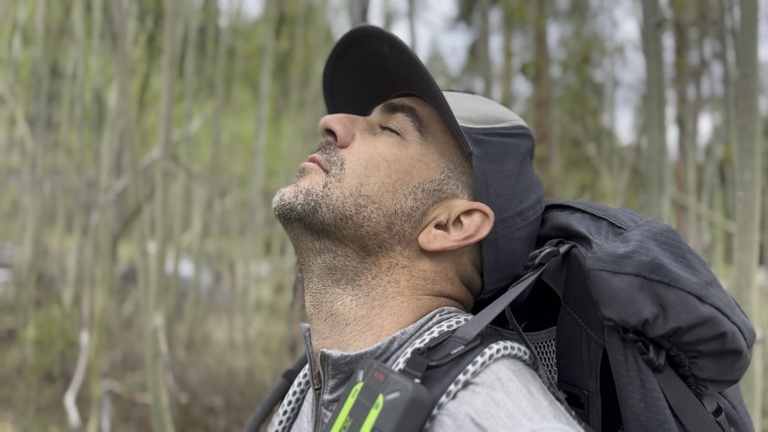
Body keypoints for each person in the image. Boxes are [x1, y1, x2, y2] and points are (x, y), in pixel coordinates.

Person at [268, 25, 583, 431]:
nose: (331, 123)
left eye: (390, 129)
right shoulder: (308, 393)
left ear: (451, 225)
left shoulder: (486, 408)